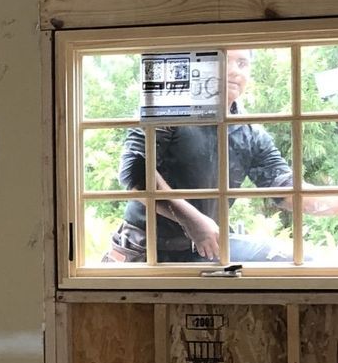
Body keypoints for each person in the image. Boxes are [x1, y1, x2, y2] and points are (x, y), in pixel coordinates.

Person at [107, 49, 292, 265]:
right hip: (146, 248)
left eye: (242, 63)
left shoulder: (249, 132)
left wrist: (327, 200)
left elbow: (283, 187)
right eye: (223, 61)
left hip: (203, 250)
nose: (234, 71)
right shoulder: (168, 107)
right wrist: (190, 218)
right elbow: (134, 172)